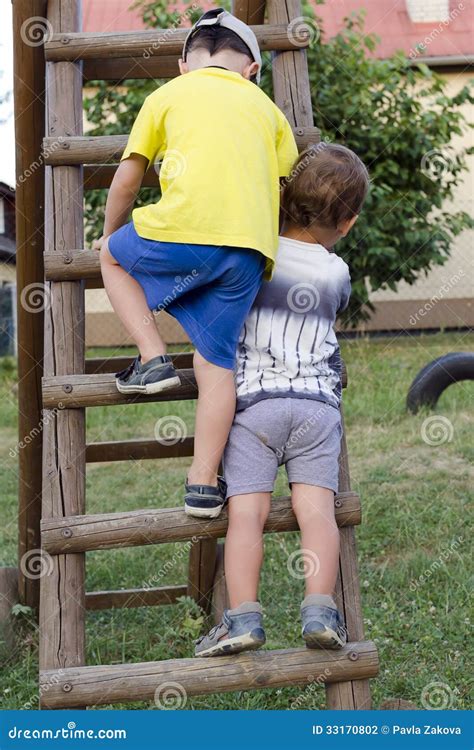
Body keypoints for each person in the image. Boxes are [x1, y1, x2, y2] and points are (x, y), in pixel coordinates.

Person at [93, 9, 298, 517]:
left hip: (184, 232)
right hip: (249, 251)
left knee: (111, 259)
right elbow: (281, 189)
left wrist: (110, 235)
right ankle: (203, 484)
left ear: (183, 64)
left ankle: (152, 358)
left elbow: (126, 181)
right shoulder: (270, 110)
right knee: (216, 364)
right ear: (251, 68)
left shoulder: (166, 96)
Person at [195, 143, 370, 657]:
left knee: (245, 513)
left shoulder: (253, 258)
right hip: (317, 407)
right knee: (317, 509)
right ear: (349, 223)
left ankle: (242, 619)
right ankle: (320, 608)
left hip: (255, 408)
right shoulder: (336, 273)